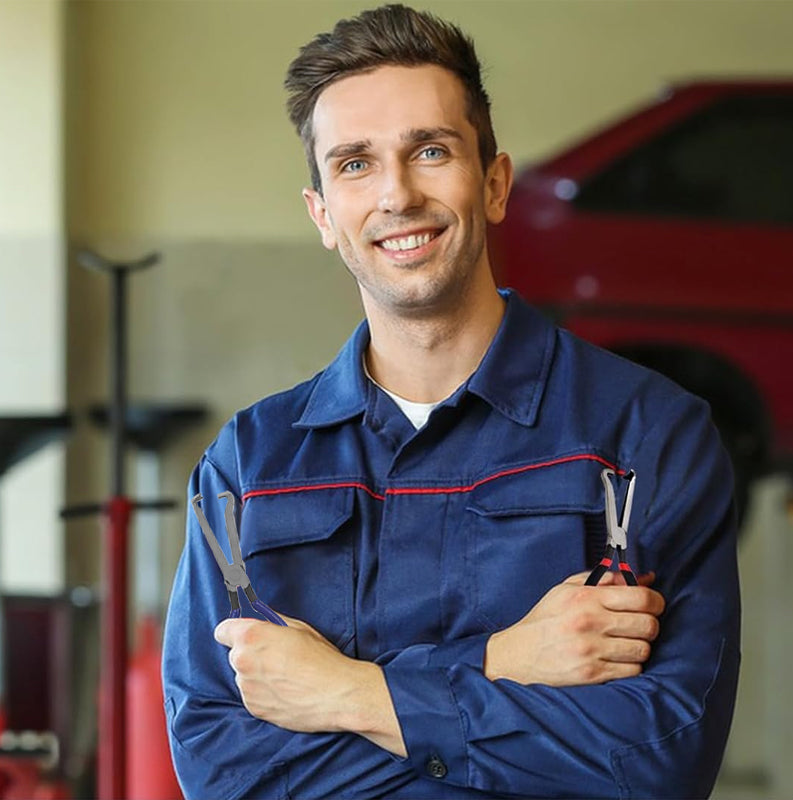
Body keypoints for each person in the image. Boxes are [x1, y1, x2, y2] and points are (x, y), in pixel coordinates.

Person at [162, 5, 740, 798]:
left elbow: (659, 760)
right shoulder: (249, 465)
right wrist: (502, 662)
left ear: (494, 184)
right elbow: (222, 770)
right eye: (355, 164)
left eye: (430, 151)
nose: (397, 194)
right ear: (323, 214)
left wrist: (343, 693)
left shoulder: (646, 434)